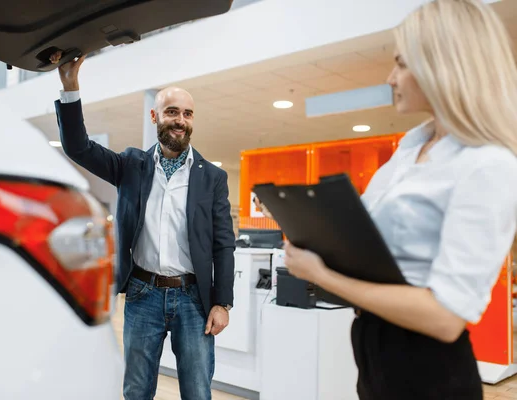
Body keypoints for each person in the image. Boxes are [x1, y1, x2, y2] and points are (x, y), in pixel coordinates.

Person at [281, 0, 517, 399]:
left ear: (444, 66)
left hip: (429, 374)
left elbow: (446, 318)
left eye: (402, 63)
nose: (391, 77)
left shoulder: (488, 165)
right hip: (373, 354)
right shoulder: (410, 149)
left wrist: (322, 275)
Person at [49, 52, 236, 400]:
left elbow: (224, 244)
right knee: (136, 391)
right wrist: (70, 87)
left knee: (197, 392)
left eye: (187, 113)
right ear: (155, 116)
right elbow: (78, 147)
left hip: (194, 299)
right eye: (172, 111)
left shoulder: (212, 177)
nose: (180, 120)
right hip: (142, 295)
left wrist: (222, 303)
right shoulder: (131, 165)